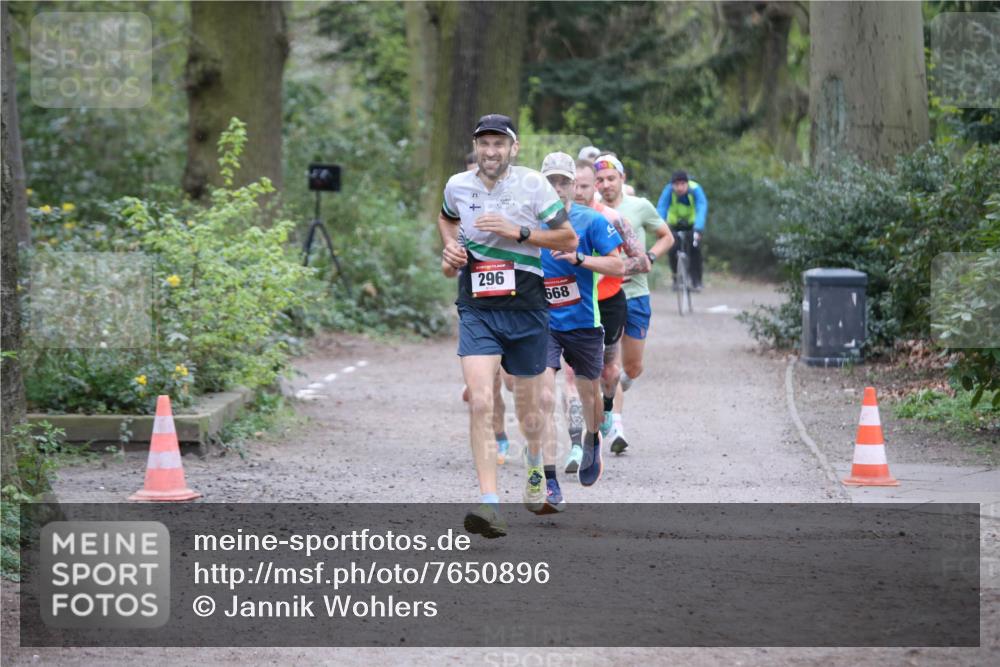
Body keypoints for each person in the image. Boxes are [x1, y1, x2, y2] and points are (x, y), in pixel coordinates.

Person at [439, 114, 577, 538]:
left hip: (527, 308)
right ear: (476, 147)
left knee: (528, 407)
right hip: (478, 307)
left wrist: (519, 232)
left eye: (500, 144)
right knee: (481, 400)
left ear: (513, 149)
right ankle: (489, 504)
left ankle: (534, 463)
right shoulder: (457, 185)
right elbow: (447, 219)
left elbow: (567, 239)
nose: (492, 151)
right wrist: (450, 248)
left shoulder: (534, 185)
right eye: (485, 144)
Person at [537, 152, 624, 508]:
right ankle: (551, 482)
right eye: (550, 182)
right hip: (543, 324)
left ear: (574, 186)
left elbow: (618, 265)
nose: (557, 189)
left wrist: (580, 259)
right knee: (542, 397)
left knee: (590, 399)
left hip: (583, 324)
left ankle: (592, 437)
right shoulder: (527, 224)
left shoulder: (590, 221)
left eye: (563, 182)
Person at [566, 159, 650, 471]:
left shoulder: (612, 219)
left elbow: (642, 261)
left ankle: (608, 411)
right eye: (572, 185)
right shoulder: (554, 221)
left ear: (595, 187)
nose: (578, 192)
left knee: (609, 373)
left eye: (585, 186)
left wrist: (602, 264)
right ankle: (577, 447)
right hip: (572, 304)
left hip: (609, 302)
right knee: (573, 377)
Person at [593, 155, 672, 454]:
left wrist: (649, 257)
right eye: (600, 180)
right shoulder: (591, 212)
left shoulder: (640, 207)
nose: (606, 185)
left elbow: (666, 237)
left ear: (622, 179)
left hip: (636, 295)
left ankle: (617, 387)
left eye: (611, 179)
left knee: (633, 367)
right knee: (608, 366)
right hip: (604, 298)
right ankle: (616, 428)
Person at [656, 170, 708, 291]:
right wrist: (659, 226)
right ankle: (676, 279)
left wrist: (698, 229)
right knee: (672, 248)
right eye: (676, 184)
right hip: (675, 225)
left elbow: (702, 207)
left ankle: (696, 281)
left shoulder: (695, 189)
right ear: (672, 184)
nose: (679, 188)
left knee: (695, 250)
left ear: (687, 183)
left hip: (693, 225)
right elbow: (661, 207)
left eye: (682, 184)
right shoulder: (668, 190)